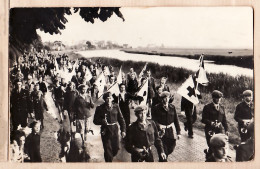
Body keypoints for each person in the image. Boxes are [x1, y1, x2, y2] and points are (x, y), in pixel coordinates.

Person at [93, 92, 126, 162]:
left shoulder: (116, 106)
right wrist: (101, 121)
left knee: (116, 148)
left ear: (112, 99)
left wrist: (123, 130)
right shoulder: (100, 108)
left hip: (114, 130)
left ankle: (110, 156)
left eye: (110, 98)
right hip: (105, 130)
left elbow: (121, 119)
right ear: (104, 99)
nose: (108, 100)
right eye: (107, 98)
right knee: (107, 150)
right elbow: (95, 121)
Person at [152, 91, 181, 162]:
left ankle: (163, 158)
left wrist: (178, 132)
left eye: (167, 97)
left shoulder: (172, 107)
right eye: (164, 98)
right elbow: (153, 121)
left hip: (170, 132)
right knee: (163, 151)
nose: (166, 99)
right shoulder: (156, 108)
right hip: (161, 133)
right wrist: (159, 127)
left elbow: (176, 120)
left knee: (170, 148)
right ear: (161, 99)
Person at [202, 90, 229, 158]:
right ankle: (209, 157)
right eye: (217, 98)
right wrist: (211, 123)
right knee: (212, 146)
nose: (218, 100)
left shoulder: (222, 107)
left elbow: (224, 120)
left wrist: (227, 130)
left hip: (219, 130)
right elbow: (203, 119)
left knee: (220, 146)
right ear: (213, 98)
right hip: (210, 130)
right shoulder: (207, 107)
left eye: (220, 98)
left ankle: (214, 157)